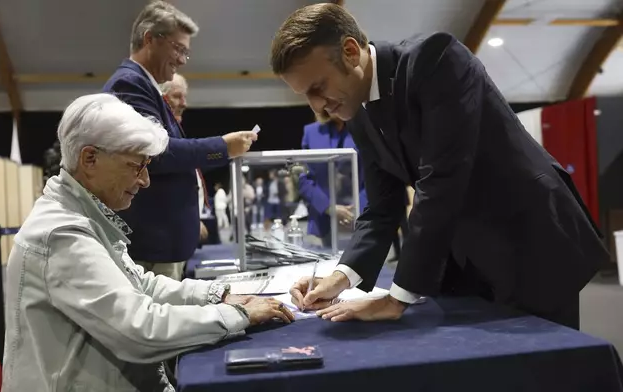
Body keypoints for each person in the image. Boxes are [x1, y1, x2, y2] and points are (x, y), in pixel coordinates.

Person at [272, 3, 608, 329]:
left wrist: (396, 299)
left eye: (318, 88)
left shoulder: (436, 59)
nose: (317, 106)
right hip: (467, 253)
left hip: (530, 241)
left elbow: (441, 182)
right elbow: (382, 207)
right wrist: (341, 276)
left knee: (548, 371)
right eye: (306, 96)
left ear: (349, 51)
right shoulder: (358, 113)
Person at [1, 94, 294, 392]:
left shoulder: (81, 215)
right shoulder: (62, 233)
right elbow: (138, 331)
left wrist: (218, 295)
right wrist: (237, 315)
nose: (145, 181)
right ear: (90, 159)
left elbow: (139, 284)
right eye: (136, 166)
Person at [102, 1, 258, 280]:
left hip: (163, 245)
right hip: (152, 247)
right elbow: (156, 154)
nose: (183, 60)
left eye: (186, 52)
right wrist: (223, 147)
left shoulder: (144, 85)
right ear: (149, 39)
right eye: (179, 49)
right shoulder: (130, 84)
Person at [298, 111, 369, 248]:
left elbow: (375, 174)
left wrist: (357, 210)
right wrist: (328, 207)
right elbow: (304, 181)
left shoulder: (365, 128)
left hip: (361, 216)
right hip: (324, 219)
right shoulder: (311, 132)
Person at [160, 73, 208, 244]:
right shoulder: (159, 140)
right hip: (166, 236)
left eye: (184, 97)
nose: (184, 103)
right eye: (177, 96)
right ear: (162, 100)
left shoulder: (176, 134)